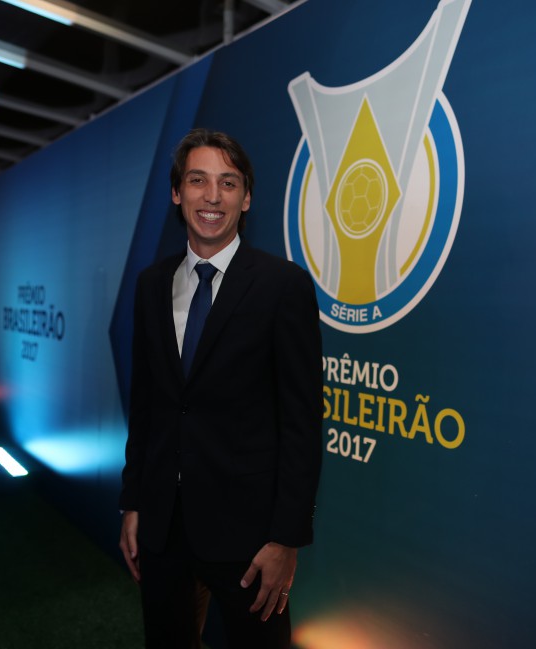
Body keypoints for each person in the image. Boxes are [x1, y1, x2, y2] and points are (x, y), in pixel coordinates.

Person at [118, 128, 323, 649]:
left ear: (246, 198)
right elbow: (146, 405)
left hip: (249, 537)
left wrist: (286, 539)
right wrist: (134, 502)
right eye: (197, 180)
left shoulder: (283, 285)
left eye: (228, 183)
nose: (212, 196)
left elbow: (302, 423)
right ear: (176, 192)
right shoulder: (150, 284)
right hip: (162, 526)